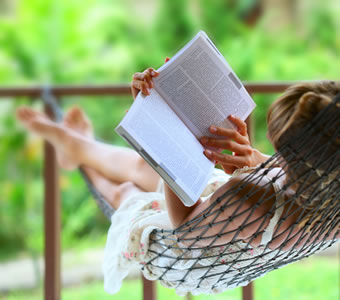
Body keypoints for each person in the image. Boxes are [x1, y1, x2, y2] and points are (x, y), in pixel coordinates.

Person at [16, 69, 339, 295]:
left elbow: (182, 224)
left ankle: (79, 153)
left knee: (127, 190)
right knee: (142, 166)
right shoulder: (328, 186)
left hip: (182, 249)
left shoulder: (246, 196)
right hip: (229, 222)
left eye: (276, 142)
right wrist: (255, 159)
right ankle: (79, 149)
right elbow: (288, 184)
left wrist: (171, 154)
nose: (268, 139)